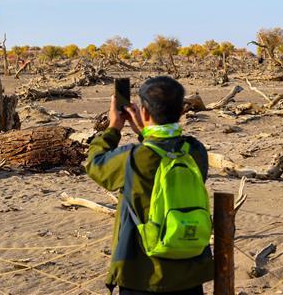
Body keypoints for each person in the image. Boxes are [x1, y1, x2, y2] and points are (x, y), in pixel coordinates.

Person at [85, 76, 214, 294]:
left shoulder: (133, 158)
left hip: (142, 275)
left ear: (144, 112)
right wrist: (145, 132)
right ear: (182, 110)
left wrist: (113, 128)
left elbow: (95, 164)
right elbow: (165, 146)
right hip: (190, 271)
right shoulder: (195, 151)